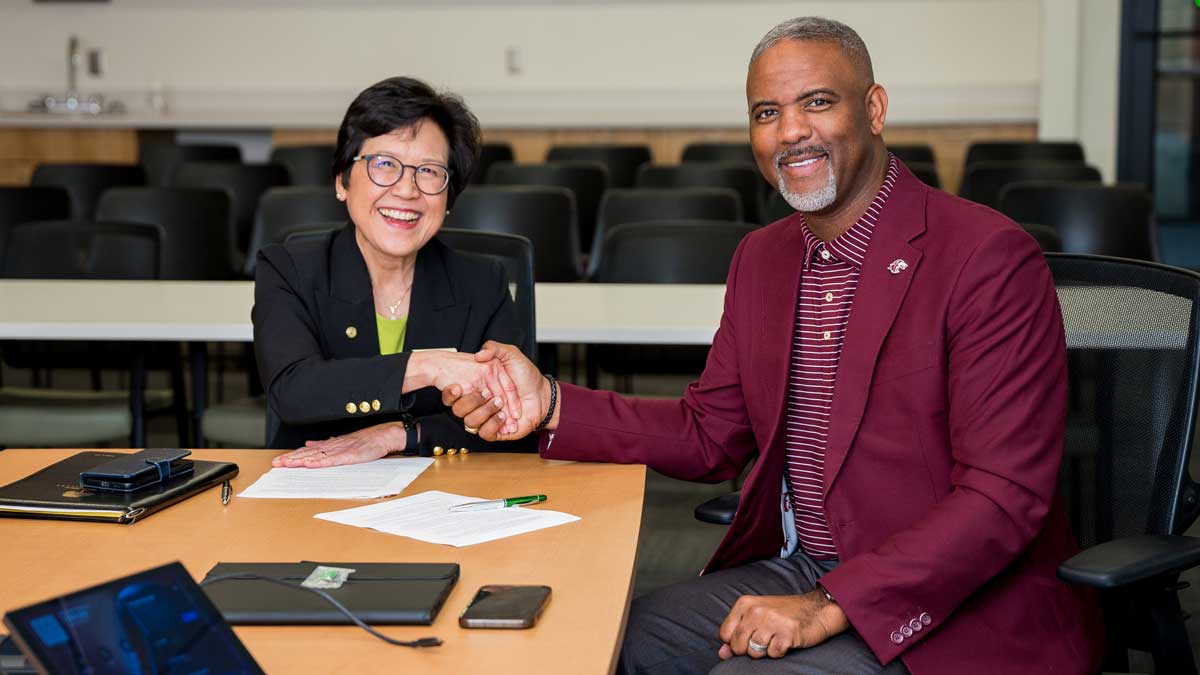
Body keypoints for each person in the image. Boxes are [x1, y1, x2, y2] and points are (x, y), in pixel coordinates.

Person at [442, 17, 1103, 675]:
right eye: (767, 112)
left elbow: (1001, 495)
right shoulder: (762, 257)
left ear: (874, 109)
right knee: (596, 641)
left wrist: (829, 602)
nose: (790, 131)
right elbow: (708, 431)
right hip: (803, 568)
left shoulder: (985, 256)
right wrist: (551, 402)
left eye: (818, 102)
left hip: (955, 606)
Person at [253, 76, 531, 465]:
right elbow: (294, 391)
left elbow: (511, 420)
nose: (406, 190)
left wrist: (399, 435)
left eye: (429, 171)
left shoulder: (484, 283)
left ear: (449, 197)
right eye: (385, 164)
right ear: (342, 181)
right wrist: (427, 366)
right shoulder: (289, 269)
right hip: (310, 491)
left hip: (447, 496)